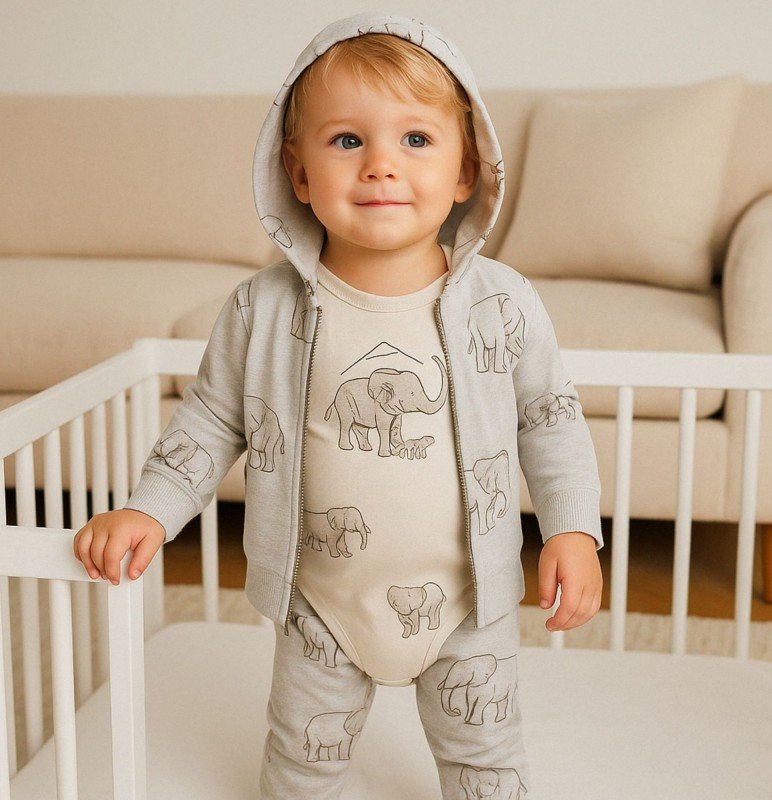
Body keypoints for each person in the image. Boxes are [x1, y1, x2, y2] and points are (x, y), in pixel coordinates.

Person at [73, 12, 604, 799]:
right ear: (298, 173)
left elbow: (550, 421)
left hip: (469, 599)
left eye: (416, 139)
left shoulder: (504, 304)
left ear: (467, 171)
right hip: (321, 601)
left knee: (486, 758)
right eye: (348, 140)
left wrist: (572, 530)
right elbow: (211, 421)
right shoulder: (261, 309)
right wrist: (149, 509)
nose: (381, 166)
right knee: (302, 758)